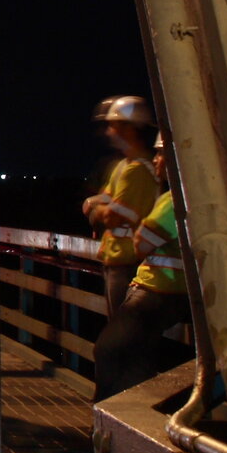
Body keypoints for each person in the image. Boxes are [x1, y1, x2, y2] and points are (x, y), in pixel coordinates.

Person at [92, 139, 194, 398]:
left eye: (161, 154)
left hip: (156, 290)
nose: (157, 159)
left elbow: (142, 242)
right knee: (140, 352)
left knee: (110, 349)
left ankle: (115, 413)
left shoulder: (174, 199)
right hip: (180, 293)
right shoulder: (194, 195)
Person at [82, 97, 160, 323]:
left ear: (130, 128)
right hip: (117, 260)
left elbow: (112, 216)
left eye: (113, 125)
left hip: (129, 264)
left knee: (122, 330)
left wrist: (96, 211)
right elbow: (102, 201)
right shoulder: (123, 167)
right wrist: (98, 207)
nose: (108, 132)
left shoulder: (137, 171)